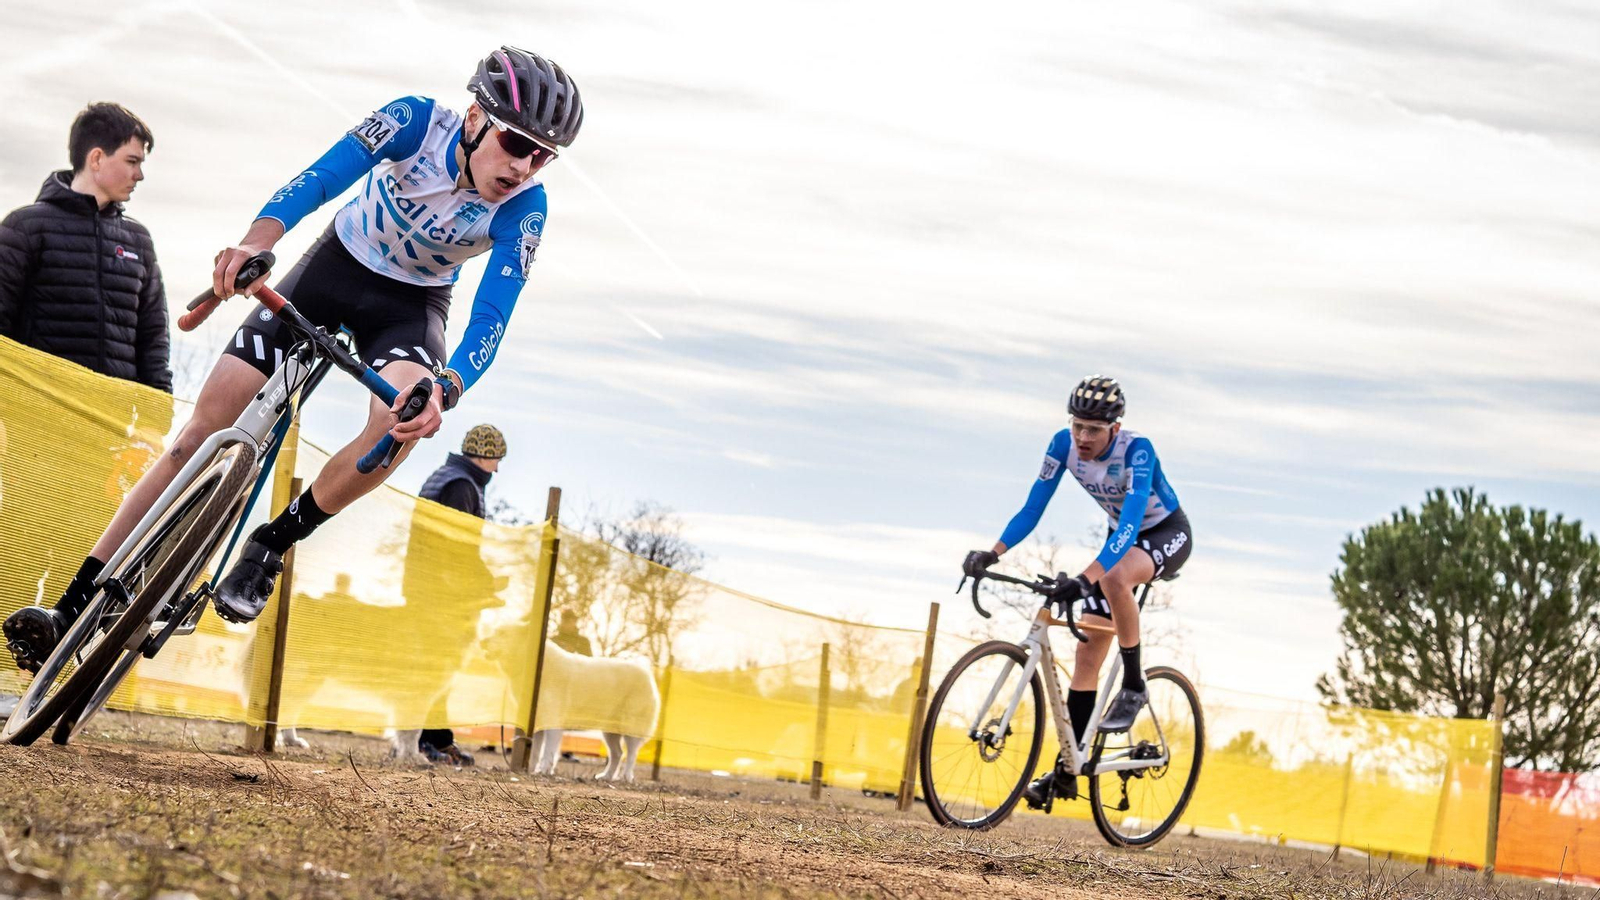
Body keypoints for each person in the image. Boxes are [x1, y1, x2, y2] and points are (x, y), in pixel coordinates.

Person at [4, 47, 583, 675]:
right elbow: (321, 177)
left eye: (543, 156)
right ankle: (71, 603)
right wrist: (259, 240)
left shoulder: (527, 207)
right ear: (474, 117)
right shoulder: (416, 120)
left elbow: (494, 314)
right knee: (207, 421)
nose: (525, 166)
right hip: (332, 268)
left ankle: (274, 541)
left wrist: (447, 386)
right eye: (515, 143)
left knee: (400, 425)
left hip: (410, 307)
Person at [960, 375, 1193, 809]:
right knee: (1086, 659)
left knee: (1113, 577)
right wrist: (992, 553)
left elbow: (1130, 525)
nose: (1082, 438)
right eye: (1077, 426)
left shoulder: (1137, 451)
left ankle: (1134, 684)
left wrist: (1086, 578)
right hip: (1117, 541)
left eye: (1093, 430)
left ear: (1115, 429)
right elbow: (1033, 507)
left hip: (1163, 533)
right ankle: (1070, 769)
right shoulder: (1061, 446)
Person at [0, 102, 171, 391]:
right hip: (31, 417)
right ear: (96, 159)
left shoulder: (138, 241)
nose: (139, 175)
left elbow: (153, 339)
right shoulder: (24, 228)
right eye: (132, 161)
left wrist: (156, 421)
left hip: (111, 424)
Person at [404, 423, 511, 765]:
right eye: (498, 460)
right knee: (437, 670)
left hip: (428, 587)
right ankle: (425, 741)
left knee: (439, 671)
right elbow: (457, 550)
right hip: (442, 596)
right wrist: (486, 587)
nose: (498, 468)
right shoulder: (462, 487)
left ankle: (438, 738)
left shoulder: (447, 476)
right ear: (487, 457)